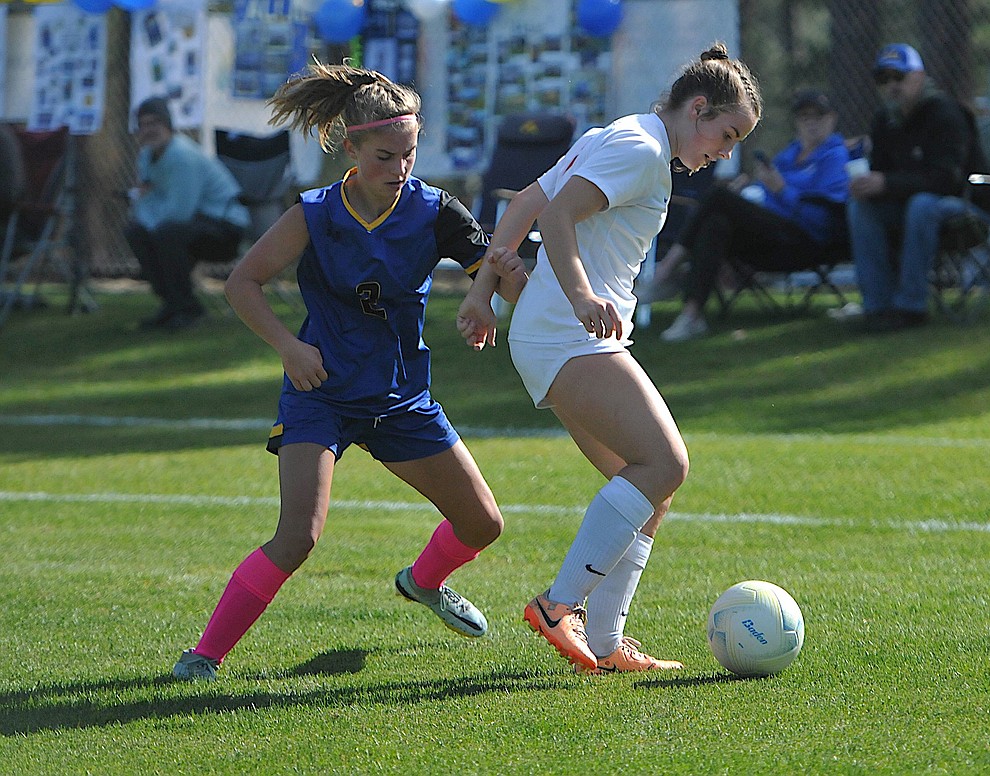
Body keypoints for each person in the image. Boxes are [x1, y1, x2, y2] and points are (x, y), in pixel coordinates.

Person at [171, 62, 527, 681]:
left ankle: (422, 582)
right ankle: (203, 655)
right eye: (386, 156)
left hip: (398, 397)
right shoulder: (315, 213)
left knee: (482, 523)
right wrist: (288, 347)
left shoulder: (437, 210)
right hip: (322, 392)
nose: (400, 169)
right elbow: (243, 283)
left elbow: (491, 272)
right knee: (298, 537)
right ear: (351, 148)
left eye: (410, 155)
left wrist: (487, 294)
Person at [457, 43, 762, 675]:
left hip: (558, 333)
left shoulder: (620, 135)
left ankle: (605, 642)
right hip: (569, 332)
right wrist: (580, 295)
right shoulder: (643, 149)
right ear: (697, 108)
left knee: (650, 486)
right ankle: (556, 605)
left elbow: (521, 205)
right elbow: (560, 216)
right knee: (666, 463)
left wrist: (484, 293)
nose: (724, 153)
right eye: (726, 135)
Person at [657, 88, 850, 341]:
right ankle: (691, 315)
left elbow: (824, 222)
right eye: (805, 117)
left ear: (832, 119)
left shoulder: (835, 157)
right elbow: (764, 196)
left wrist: (782, 190)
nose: (811, 123)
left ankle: (665, 271)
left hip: (806, 241)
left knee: (718, 197)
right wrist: (749, 192)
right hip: (771, 238)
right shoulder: (787, 157)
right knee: (716, 222)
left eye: (818, 117)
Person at [847, 43, 990, 332]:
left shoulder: (947, 114)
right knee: (860, 208)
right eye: (883, 79)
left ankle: (911, 307)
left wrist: (886, 183)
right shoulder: (885, 119)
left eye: (898, 77)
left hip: (967, 206)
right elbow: (882, 173)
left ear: (918, 76)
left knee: (923, 204)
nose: (891, 86)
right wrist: (868, 184)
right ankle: (877, 308)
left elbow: (948, 180)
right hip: (912, 206)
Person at [124, 97, 252, 330]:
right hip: (190, 226)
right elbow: (144, 202)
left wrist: (146, 207)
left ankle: (187, 309)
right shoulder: (146, 157)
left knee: (166, 233)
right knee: (136, 231)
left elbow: (179, 211)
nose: (149, 129)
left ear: (168, 124)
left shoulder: (181, 155)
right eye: (143, 124)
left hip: (225, 228)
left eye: (155, 122)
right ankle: (172, 304)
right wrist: (145, 208)